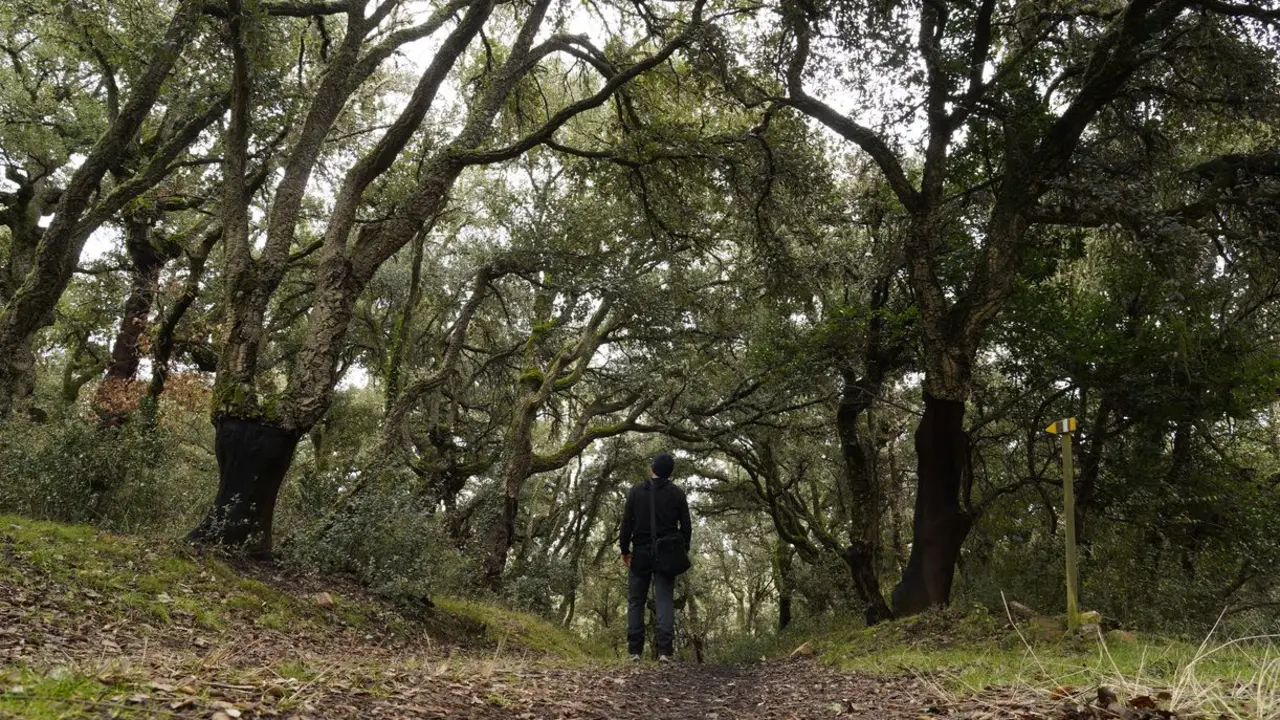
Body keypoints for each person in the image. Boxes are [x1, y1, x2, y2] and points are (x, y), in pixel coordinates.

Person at [619, 451, 692, 662]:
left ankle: (634, 652)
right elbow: (686, 527)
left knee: (636, 600)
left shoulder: (635, 491)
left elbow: (626, 525)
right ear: (669, 473)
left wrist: (625, 550)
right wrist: (681, 550)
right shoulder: (677, 493)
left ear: (652, 469)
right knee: (664, 600)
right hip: (667, 554)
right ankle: (665, 652)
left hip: (640, 552)